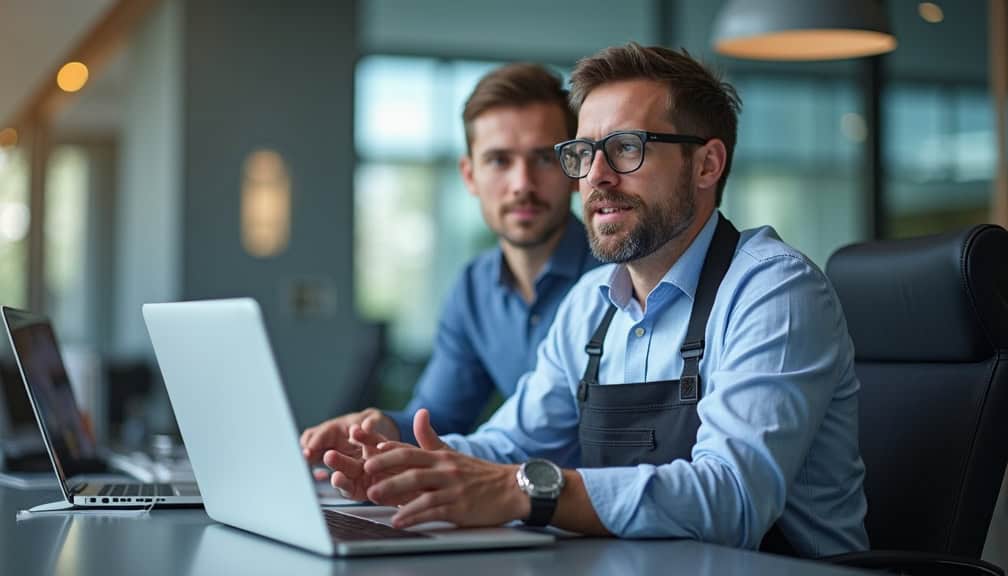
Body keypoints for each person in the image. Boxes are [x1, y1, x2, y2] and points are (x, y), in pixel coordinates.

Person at [324, 44, 869, 557]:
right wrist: (409, 469)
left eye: (627, 148)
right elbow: (511, 445)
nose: (596, 177)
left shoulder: (775, 290)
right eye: (583, 153)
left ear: (706, 165)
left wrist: (524, 492)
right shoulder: (591, 303)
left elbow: (731, 498)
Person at [300, 64, 600, 467]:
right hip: (516, 510)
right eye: (498, 160)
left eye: (543, 158)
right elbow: (436, 420)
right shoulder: (474, 289)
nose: (522, 184)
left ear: (574, 168)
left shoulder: (616, 278)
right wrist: (381, 430)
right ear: (469, 175)